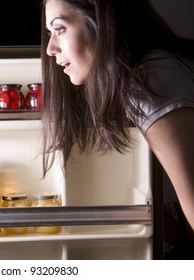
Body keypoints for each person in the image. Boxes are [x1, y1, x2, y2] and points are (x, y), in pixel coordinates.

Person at [39, 0, 194, 231]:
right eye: (50, 33)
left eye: (60, 29)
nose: (50, 48)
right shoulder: (150, 69)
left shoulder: (149, 82)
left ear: (102, 23)